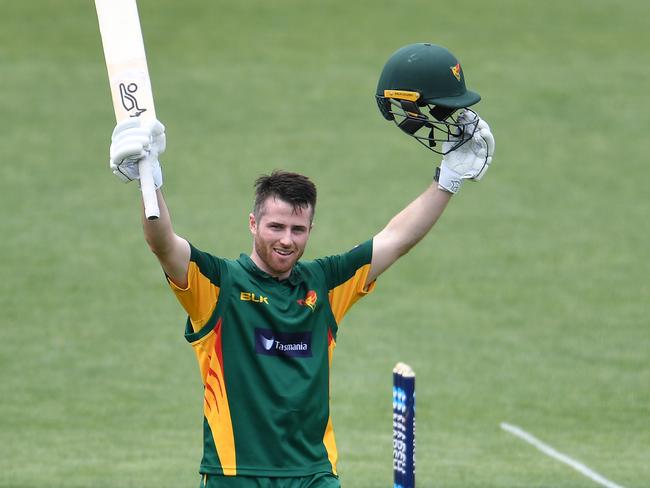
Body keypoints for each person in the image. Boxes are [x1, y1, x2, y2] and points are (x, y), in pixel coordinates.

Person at [107, 43, 494, 488]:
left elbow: (396, 239)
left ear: (310, 228)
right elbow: (162, 242)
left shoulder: (325, 283)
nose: (286, 241)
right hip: (235, 477)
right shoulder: (217, 285)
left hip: (313, 476)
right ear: (253, 223)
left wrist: (448, 179)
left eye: (298, 230)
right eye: (275, 227)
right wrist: (148, 177)